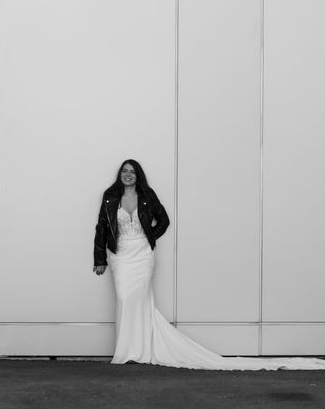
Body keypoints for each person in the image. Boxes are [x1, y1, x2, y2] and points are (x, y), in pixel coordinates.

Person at [94, 158, 325, 370]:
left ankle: (141, 351)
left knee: (141, 299)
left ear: (138, 175)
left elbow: (164, 220)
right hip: (121, 255)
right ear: (119, 174)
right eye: (124, 171)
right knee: (125, 297)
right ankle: (126, 350)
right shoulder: (110, 196)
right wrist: (100, 258)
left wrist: (149, 238)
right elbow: (102, 227)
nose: (128, 175)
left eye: (132, 172)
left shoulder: (147, 195)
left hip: (143, 255)